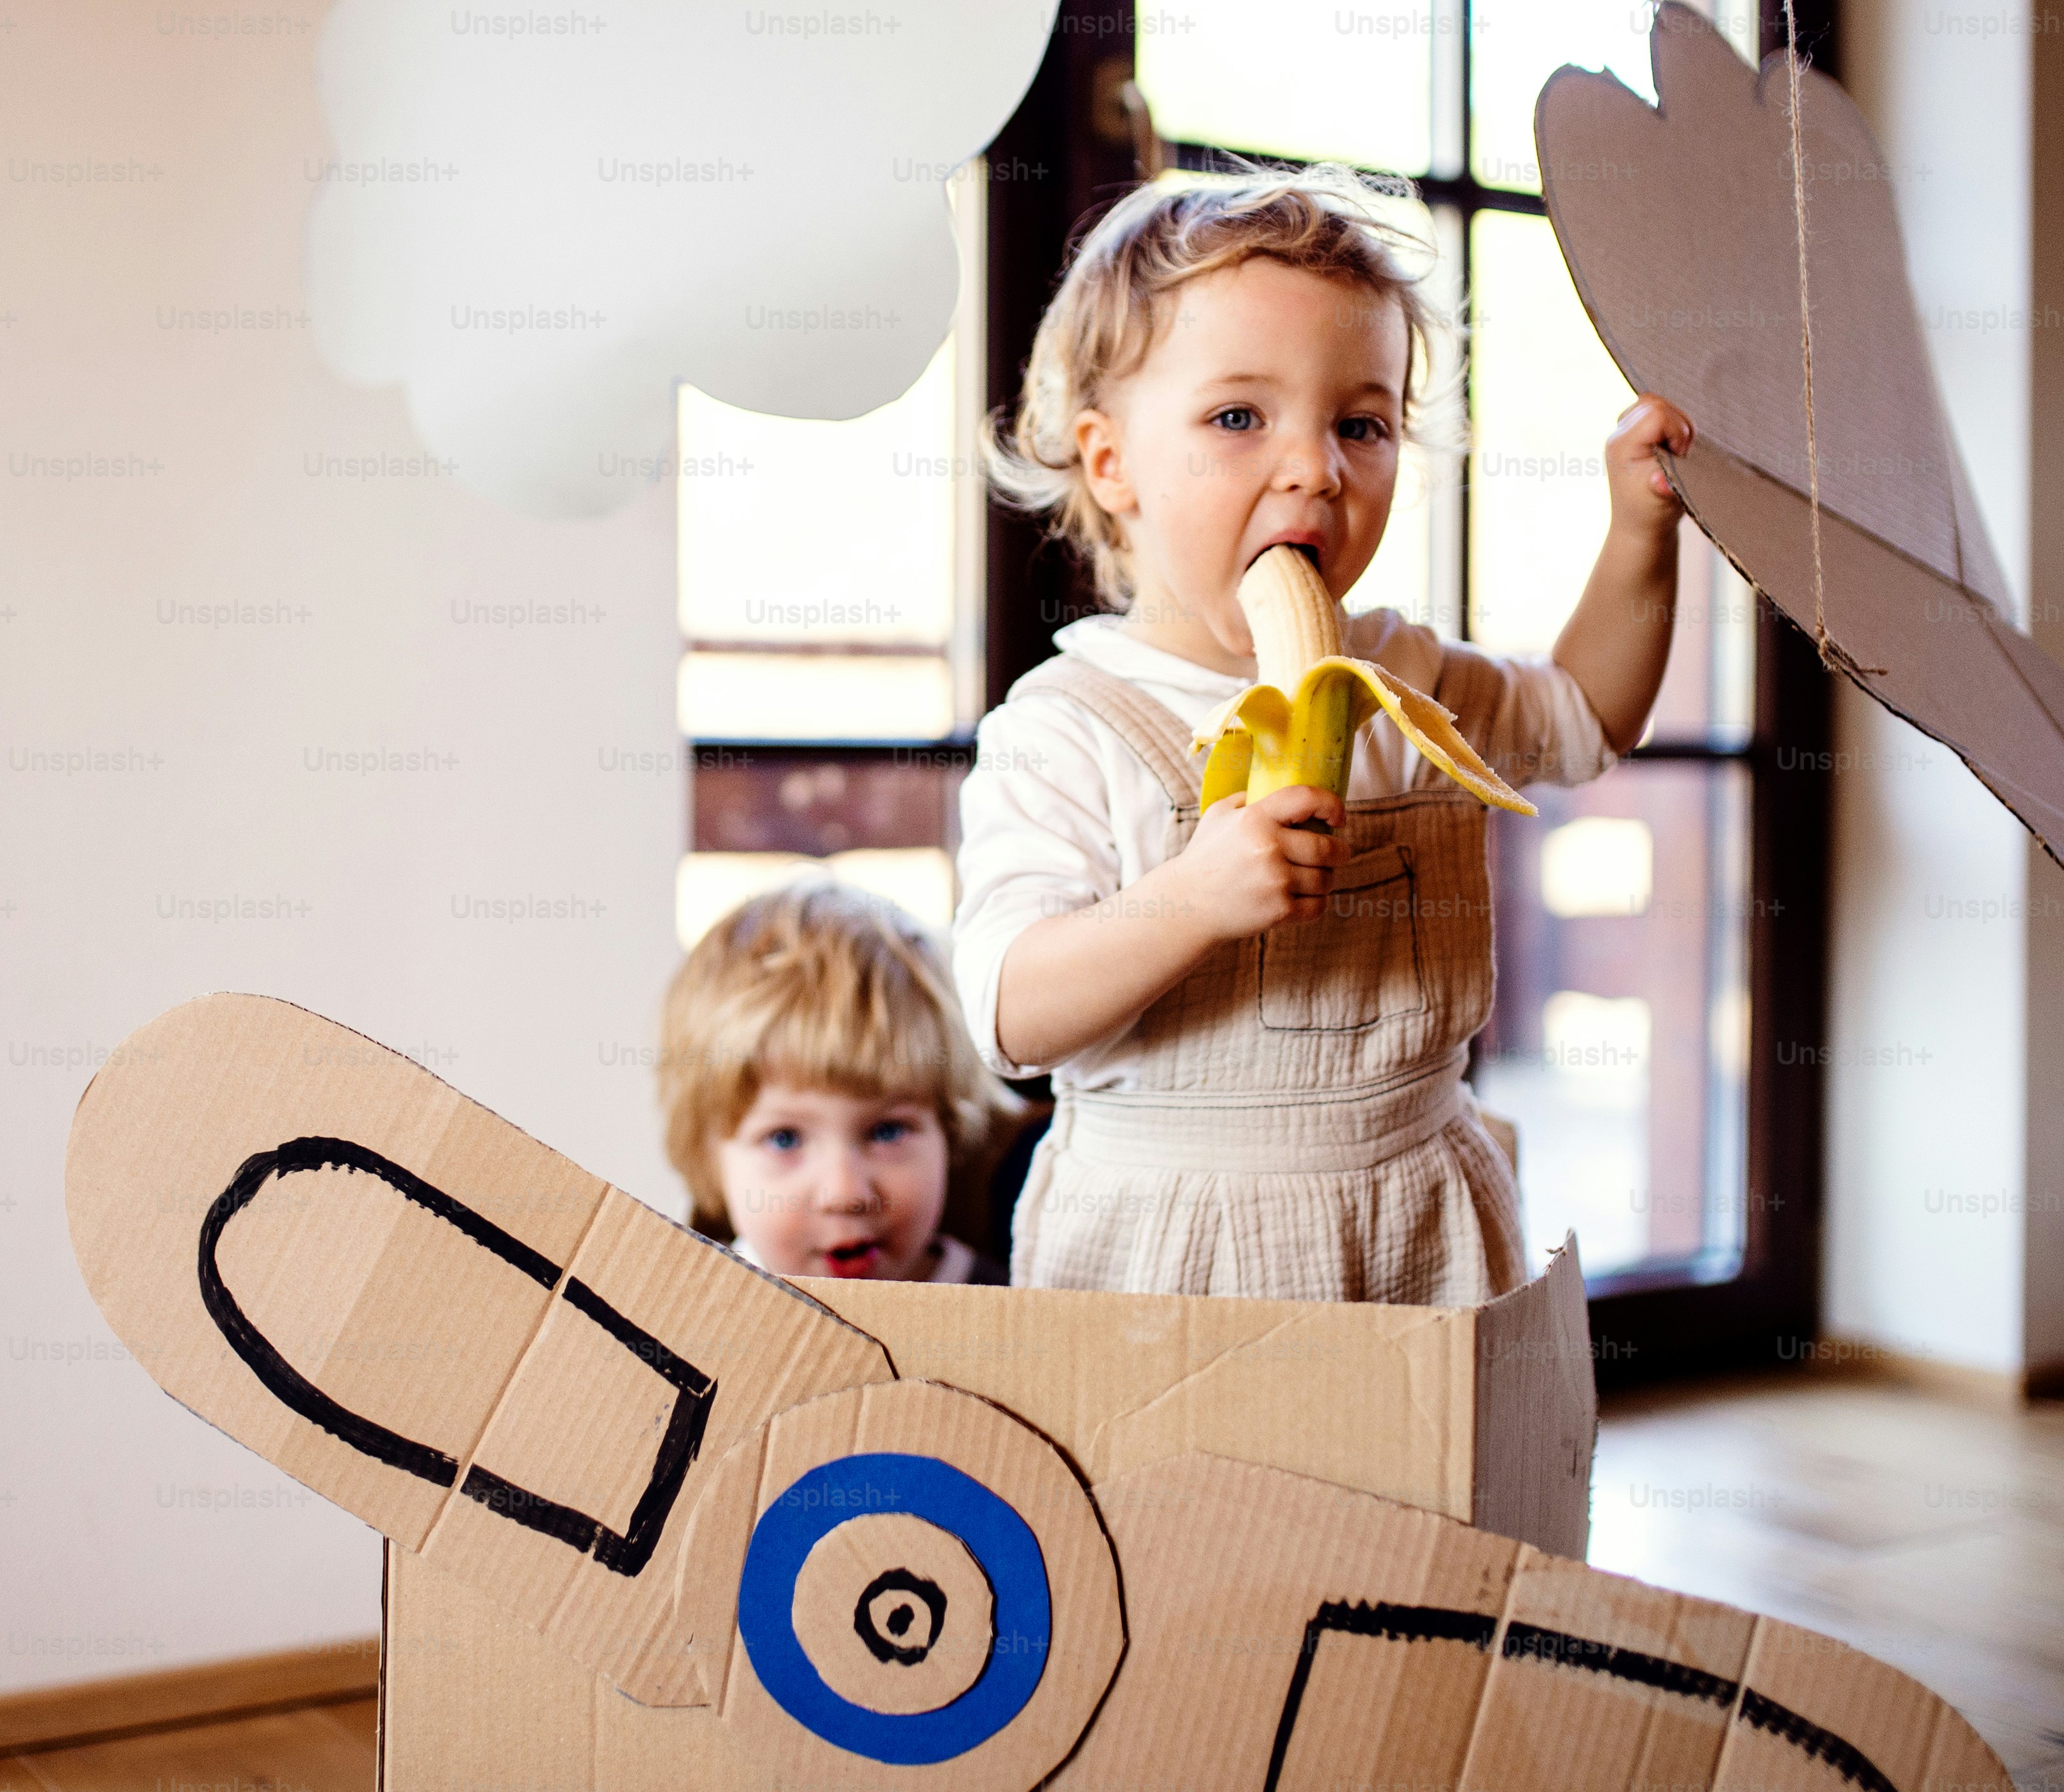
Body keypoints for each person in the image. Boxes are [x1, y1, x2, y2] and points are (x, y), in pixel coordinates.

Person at [956, 164, 1692, 1306]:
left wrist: (1642, 526)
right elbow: (1010, 1009)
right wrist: (1189, 898)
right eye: (1239, 417)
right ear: (1111, 463)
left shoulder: (1406, 675)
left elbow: (1587, 716)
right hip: (1168, 1253)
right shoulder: (1067, 730)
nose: (1317, 468)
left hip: (1418, 1217)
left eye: (1363, 423)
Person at [660, 877, 1026, 1283]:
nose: (845, 1193)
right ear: (709, 1160)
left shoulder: (1008, 1306)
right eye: (785, 1138)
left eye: (887, 1131)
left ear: (950, 1130)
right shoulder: (692, 1311)